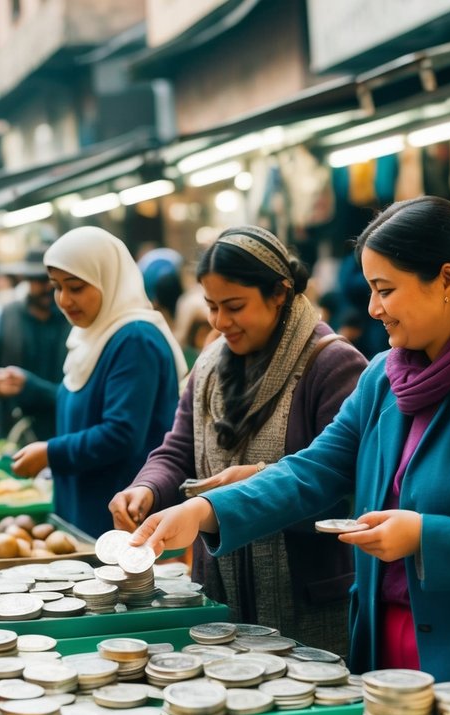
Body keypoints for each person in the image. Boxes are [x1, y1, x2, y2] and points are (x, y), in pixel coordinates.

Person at [132, 196, 450, 715]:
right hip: (383, 652)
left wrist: (427, 535)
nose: (373, 308)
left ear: (446, 280)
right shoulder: (383, 378)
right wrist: (205, 512)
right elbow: (312, 470)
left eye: (386, 289)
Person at [109, 226, 368, 657]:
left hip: (309, 599)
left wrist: (251, 483)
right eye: (211, 307)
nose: (219, 322)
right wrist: (147, 487)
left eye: (234, 306)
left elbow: (342, 485)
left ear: (279, 293)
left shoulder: (333, 365)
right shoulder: (209, 363)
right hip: (220, 585)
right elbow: (178, 448)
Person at [11, 227, 185, 537]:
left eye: (76, 287)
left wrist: (51, 453)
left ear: (108, 279)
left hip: (122, 520)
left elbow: (122, 433)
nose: (63, 300)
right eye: (57, 287)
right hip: (84, 512)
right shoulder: (89, 336)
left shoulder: (134, 339)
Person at [0, 263, 70, 441]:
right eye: (40, 280)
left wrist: (32, 386)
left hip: (65, 431)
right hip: (12, 434)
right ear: (26, 280)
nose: (47, 287)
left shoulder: (74, 320)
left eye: (54, 282)